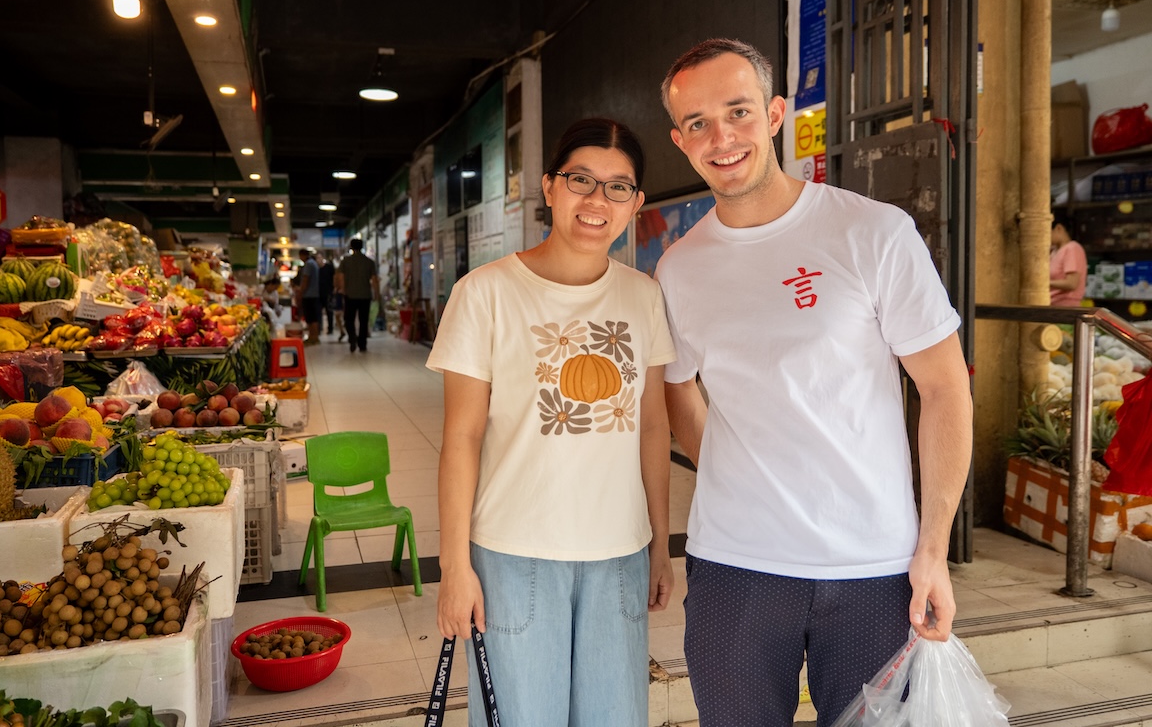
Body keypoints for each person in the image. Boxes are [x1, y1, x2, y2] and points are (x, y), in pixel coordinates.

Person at [655, 38, 973, 725]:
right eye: (699, 124)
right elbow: (676, 384)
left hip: (871, 563)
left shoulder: (873, 232)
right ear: (680, 141)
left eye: (737, 111)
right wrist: (729, 464)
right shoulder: (680, 268)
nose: (722, 137)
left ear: (773, 115)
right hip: (734, 564)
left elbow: (945, 388)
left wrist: (933, 548)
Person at [428, 118, 676, 727]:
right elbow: (460, 439)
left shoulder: (643, 296)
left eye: (619, 187)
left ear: (636, 203)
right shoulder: (483, 293)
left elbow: (652, 430)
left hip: (619, 554)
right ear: (549, 186)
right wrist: (454, 566)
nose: (598, 200)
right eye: (582, 180)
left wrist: (662, 547)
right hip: (515, 555)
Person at [334, 238, 379, 353]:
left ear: (351, 247)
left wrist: (342, 289)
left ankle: (352, 338)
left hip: (350, 295)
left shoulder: (346, 261)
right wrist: (377, 294)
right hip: (365, 295)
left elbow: (340, 277)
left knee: (349, 319)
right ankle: (362, 344)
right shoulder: (369, 262)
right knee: (363, 320)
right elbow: (374, 280)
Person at [1050, 213, 1087, 306]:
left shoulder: (1072, 248)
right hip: (1051, 305)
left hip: (1065, 306)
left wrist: (1044, 283)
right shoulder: (1054, 250)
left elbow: (1072, 283)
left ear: (1058, 228)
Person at [296, 248, 322, 346]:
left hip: (309, 295)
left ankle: (313, 337)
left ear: (303, 255)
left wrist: (301, 292)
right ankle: (313, 337)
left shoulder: (308, 264)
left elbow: (306, 279)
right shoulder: (314, 263)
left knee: (311, 317)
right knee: (313, 316)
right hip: (314, 294)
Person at [318, 252, 336, 335]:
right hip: (319, 294)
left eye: (320, 258)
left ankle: (330, 328)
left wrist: (334, 288)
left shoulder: (329, 268)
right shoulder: (316, 269)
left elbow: (334, 277)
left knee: (329, 312)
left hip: (328, 293)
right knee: (319, 312)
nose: (319, 260)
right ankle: (319, 328)